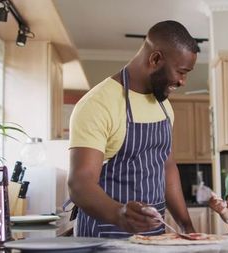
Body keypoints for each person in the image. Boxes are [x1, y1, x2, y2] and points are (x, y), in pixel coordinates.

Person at [68, 20, 199, 238]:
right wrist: (119, 214)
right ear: (155, 59)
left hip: (154, 234)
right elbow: (80, 184)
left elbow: (166, 167)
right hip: (105, 234)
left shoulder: (163, 104)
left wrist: (187, 226)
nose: (183, 81)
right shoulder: (98, 104)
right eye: (181, 72)